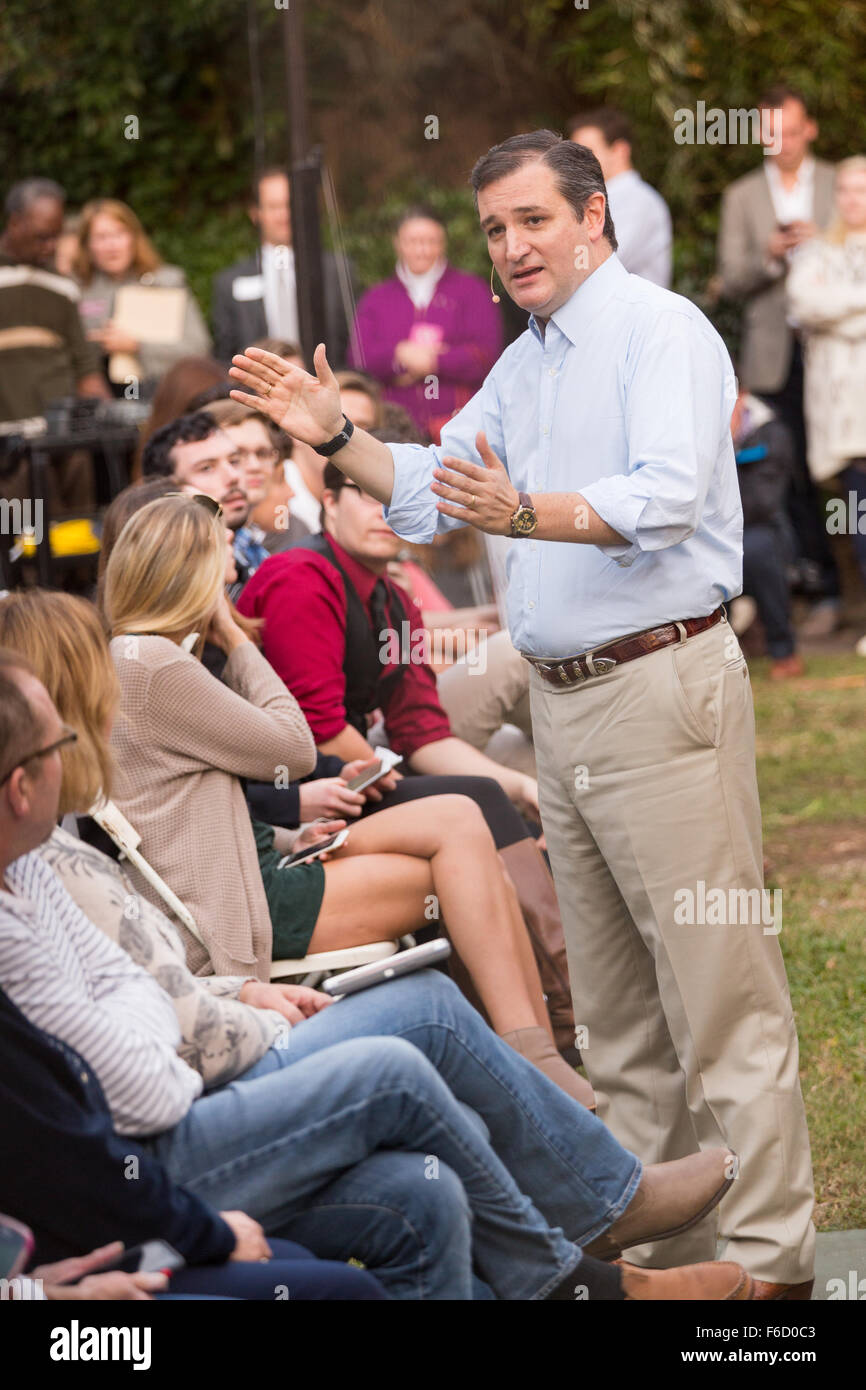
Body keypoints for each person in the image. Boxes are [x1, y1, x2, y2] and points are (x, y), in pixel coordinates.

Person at [228, 129, 816, 1300]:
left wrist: (524, 507)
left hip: (659, 687)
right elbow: (434, 480)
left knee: (717, 992)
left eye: (531, 220)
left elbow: (661, 494)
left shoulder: (665, 333)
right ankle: (664, 1259)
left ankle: (771, 1273)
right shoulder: (525, 361)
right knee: (612, 1017)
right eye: (494, 229)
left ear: (593, 216)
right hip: (565, 708)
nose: (510, 247)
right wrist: (334, 434)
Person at [0, 649, 748, 1300]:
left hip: (225, 1002)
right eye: (67, 732)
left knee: (421, 1191)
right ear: (23, 786)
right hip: (196, 1062)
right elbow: (142, 1083)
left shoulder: (37, 861)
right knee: (415, 1026)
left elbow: (142, 988)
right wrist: (189, 1006)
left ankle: (579, 1152)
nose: (99, 731)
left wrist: (206, 993)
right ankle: (584, 1235)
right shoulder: (157, 664)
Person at [101, 495, 591, 1101]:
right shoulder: (154, 664)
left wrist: (287, 834)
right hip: (239, 904)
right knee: (464, 870)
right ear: (194, 570)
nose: (236, 561)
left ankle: (528, 1057)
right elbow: (293, 747)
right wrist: (236, 636)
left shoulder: (150, 659)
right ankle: (532, 1060)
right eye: (224, 548)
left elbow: (188, 804)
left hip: (259, 863)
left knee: (462, 817)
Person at [718, 83, 840, 633]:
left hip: (838, 353)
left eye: (791, 131)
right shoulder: (741, 196)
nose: (783, 143)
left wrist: (823, 244)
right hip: (773, 356)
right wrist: (769, 257)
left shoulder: (845, 184)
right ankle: (816, 589)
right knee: (786, 478)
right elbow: (729, 279)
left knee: (844, 469)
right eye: (771, 133)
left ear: (810, 128)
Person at [786, 154, 866, 651]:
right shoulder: (816, 253)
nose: (852, 199)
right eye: (845, 190)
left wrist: (841, 311)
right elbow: (804, 303)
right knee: (859, 514)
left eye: (862, 190)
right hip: (845, 414)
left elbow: (825, 310)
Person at [0, 179, 109, 513]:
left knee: (77, 534)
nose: (51, 246)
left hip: (66, 439)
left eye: (56, 236)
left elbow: (85, 365)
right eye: (41, 236)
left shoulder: (63, 288)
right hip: (9, 446)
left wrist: (112, 415)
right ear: (14, 223)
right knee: (24, 539)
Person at [348, 205, 502, 441]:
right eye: (413, 241)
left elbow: (487, 355)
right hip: (394, 431)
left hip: (459, 427)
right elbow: (359, 357)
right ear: (397, 243)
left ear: (443, 243)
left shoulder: (471, 290)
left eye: (430, 241)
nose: (422, 250)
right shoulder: (376, 298)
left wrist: (434, 361)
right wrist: (400, 356)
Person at [212, 169, 352, 368]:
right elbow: (225, 354)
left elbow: (350, 342)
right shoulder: (229, 282)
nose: (284, 215)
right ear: (255, 213)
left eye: (290, 205)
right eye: (274, 206)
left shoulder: (335, 270)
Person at [72, 199, 211, 393]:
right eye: (101, 237)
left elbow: (198, 348)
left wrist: (136, 346)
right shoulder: (75, 291)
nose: (112, 245)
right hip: (100, 401)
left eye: (119, 234)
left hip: (162, 393)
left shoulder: (167, 283)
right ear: (87, 245)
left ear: (134, 238)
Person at [730, 385, 803, 678]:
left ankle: (784, 651)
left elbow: (762, 503)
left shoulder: (772, 432)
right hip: (714, 535)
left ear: (742, 395)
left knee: (757, 549)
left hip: (764, 531)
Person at [567, 107, 672, 288]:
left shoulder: (639, 201)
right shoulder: (597, 199)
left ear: (620, 151)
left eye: (586, 154)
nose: (577, 164)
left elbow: (599, 263)